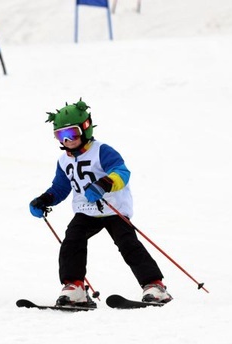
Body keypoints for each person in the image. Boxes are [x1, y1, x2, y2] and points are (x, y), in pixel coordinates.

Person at [29, 99, 173, 306]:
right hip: (86, 212)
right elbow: (60, 188)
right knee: (72, 241)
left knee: (128, 244)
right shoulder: (64, 161)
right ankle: (75, 288)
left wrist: (104, 184)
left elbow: (122, 173)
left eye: (72, 133)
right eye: (61, 135)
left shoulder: (101, 151)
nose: (67, 140)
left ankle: (154, 285)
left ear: (86, 128)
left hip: (114, 210)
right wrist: (44, 200)